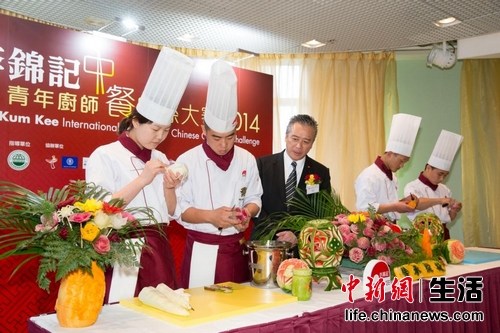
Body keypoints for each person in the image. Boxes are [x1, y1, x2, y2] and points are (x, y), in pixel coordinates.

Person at [86, 47, 194, 303]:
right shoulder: (106, 154)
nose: (160, 137)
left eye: (166, 131)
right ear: (135, 121)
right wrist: (143, 179)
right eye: (155, 129)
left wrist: (169, 187)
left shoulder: (160, 158)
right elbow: (100, 209)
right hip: (123, 247)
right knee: (123, 313)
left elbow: (169, 212)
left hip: (159, 246)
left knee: (163, 314)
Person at [176, 60, 262, 288]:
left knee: (239, 314)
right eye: (216, 137)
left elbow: (255, 199)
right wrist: (211, 216)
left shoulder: (247, 158)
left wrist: (247, 213)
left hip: (236, 248)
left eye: (230, 136)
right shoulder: (187, 161)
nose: (224, 144)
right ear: (203, 131)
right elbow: (180, 210)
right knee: (201, 312)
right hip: (201, 249)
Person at [253, 114, 331, 246]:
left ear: (312, 144)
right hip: (265, 242)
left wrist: (297, 235)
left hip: (302, 247)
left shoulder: (320, 172)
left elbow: (321, 213)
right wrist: (278, 232)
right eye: (295, 139)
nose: (299, 146)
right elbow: (254, 202)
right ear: (286, 136)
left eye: (306, 141)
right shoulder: (262, 165)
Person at [355, 113, 421, 224]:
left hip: (391, 228)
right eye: (401, 161)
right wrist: (395, 206)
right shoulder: (368, 175)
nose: (402, 166)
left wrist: (404, 202)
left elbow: (386, 205)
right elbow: (364, 208)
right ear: (390, 154)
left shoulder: (393, 177)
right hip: (374, 230)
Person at [404, 130, 463, 239]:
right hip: (422, 236)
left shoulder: (445, 189)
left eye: (445, 175)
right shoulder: (412, 187)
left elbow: (448, 218)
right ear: (428, 168)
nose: (442, 178)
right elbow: (416, 203)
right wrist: (440, 200)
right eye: (440, 174)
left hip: (444, 235)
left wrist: (454, 210)